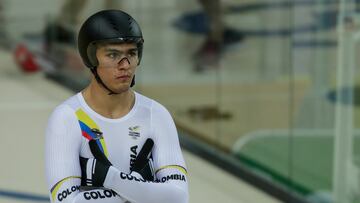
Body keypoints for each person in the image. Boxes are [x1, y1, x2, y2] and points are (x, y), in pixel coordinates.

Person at [45, 9, 189, 203]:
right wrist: (142, 187)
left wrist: (109, 177)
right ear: (91, 59)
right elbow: (65, 201)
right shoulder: (67, 117)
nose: (125, 64)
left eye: (132, 53)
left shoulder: (156, 114)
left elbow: (178, 198)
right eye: (113, 55)